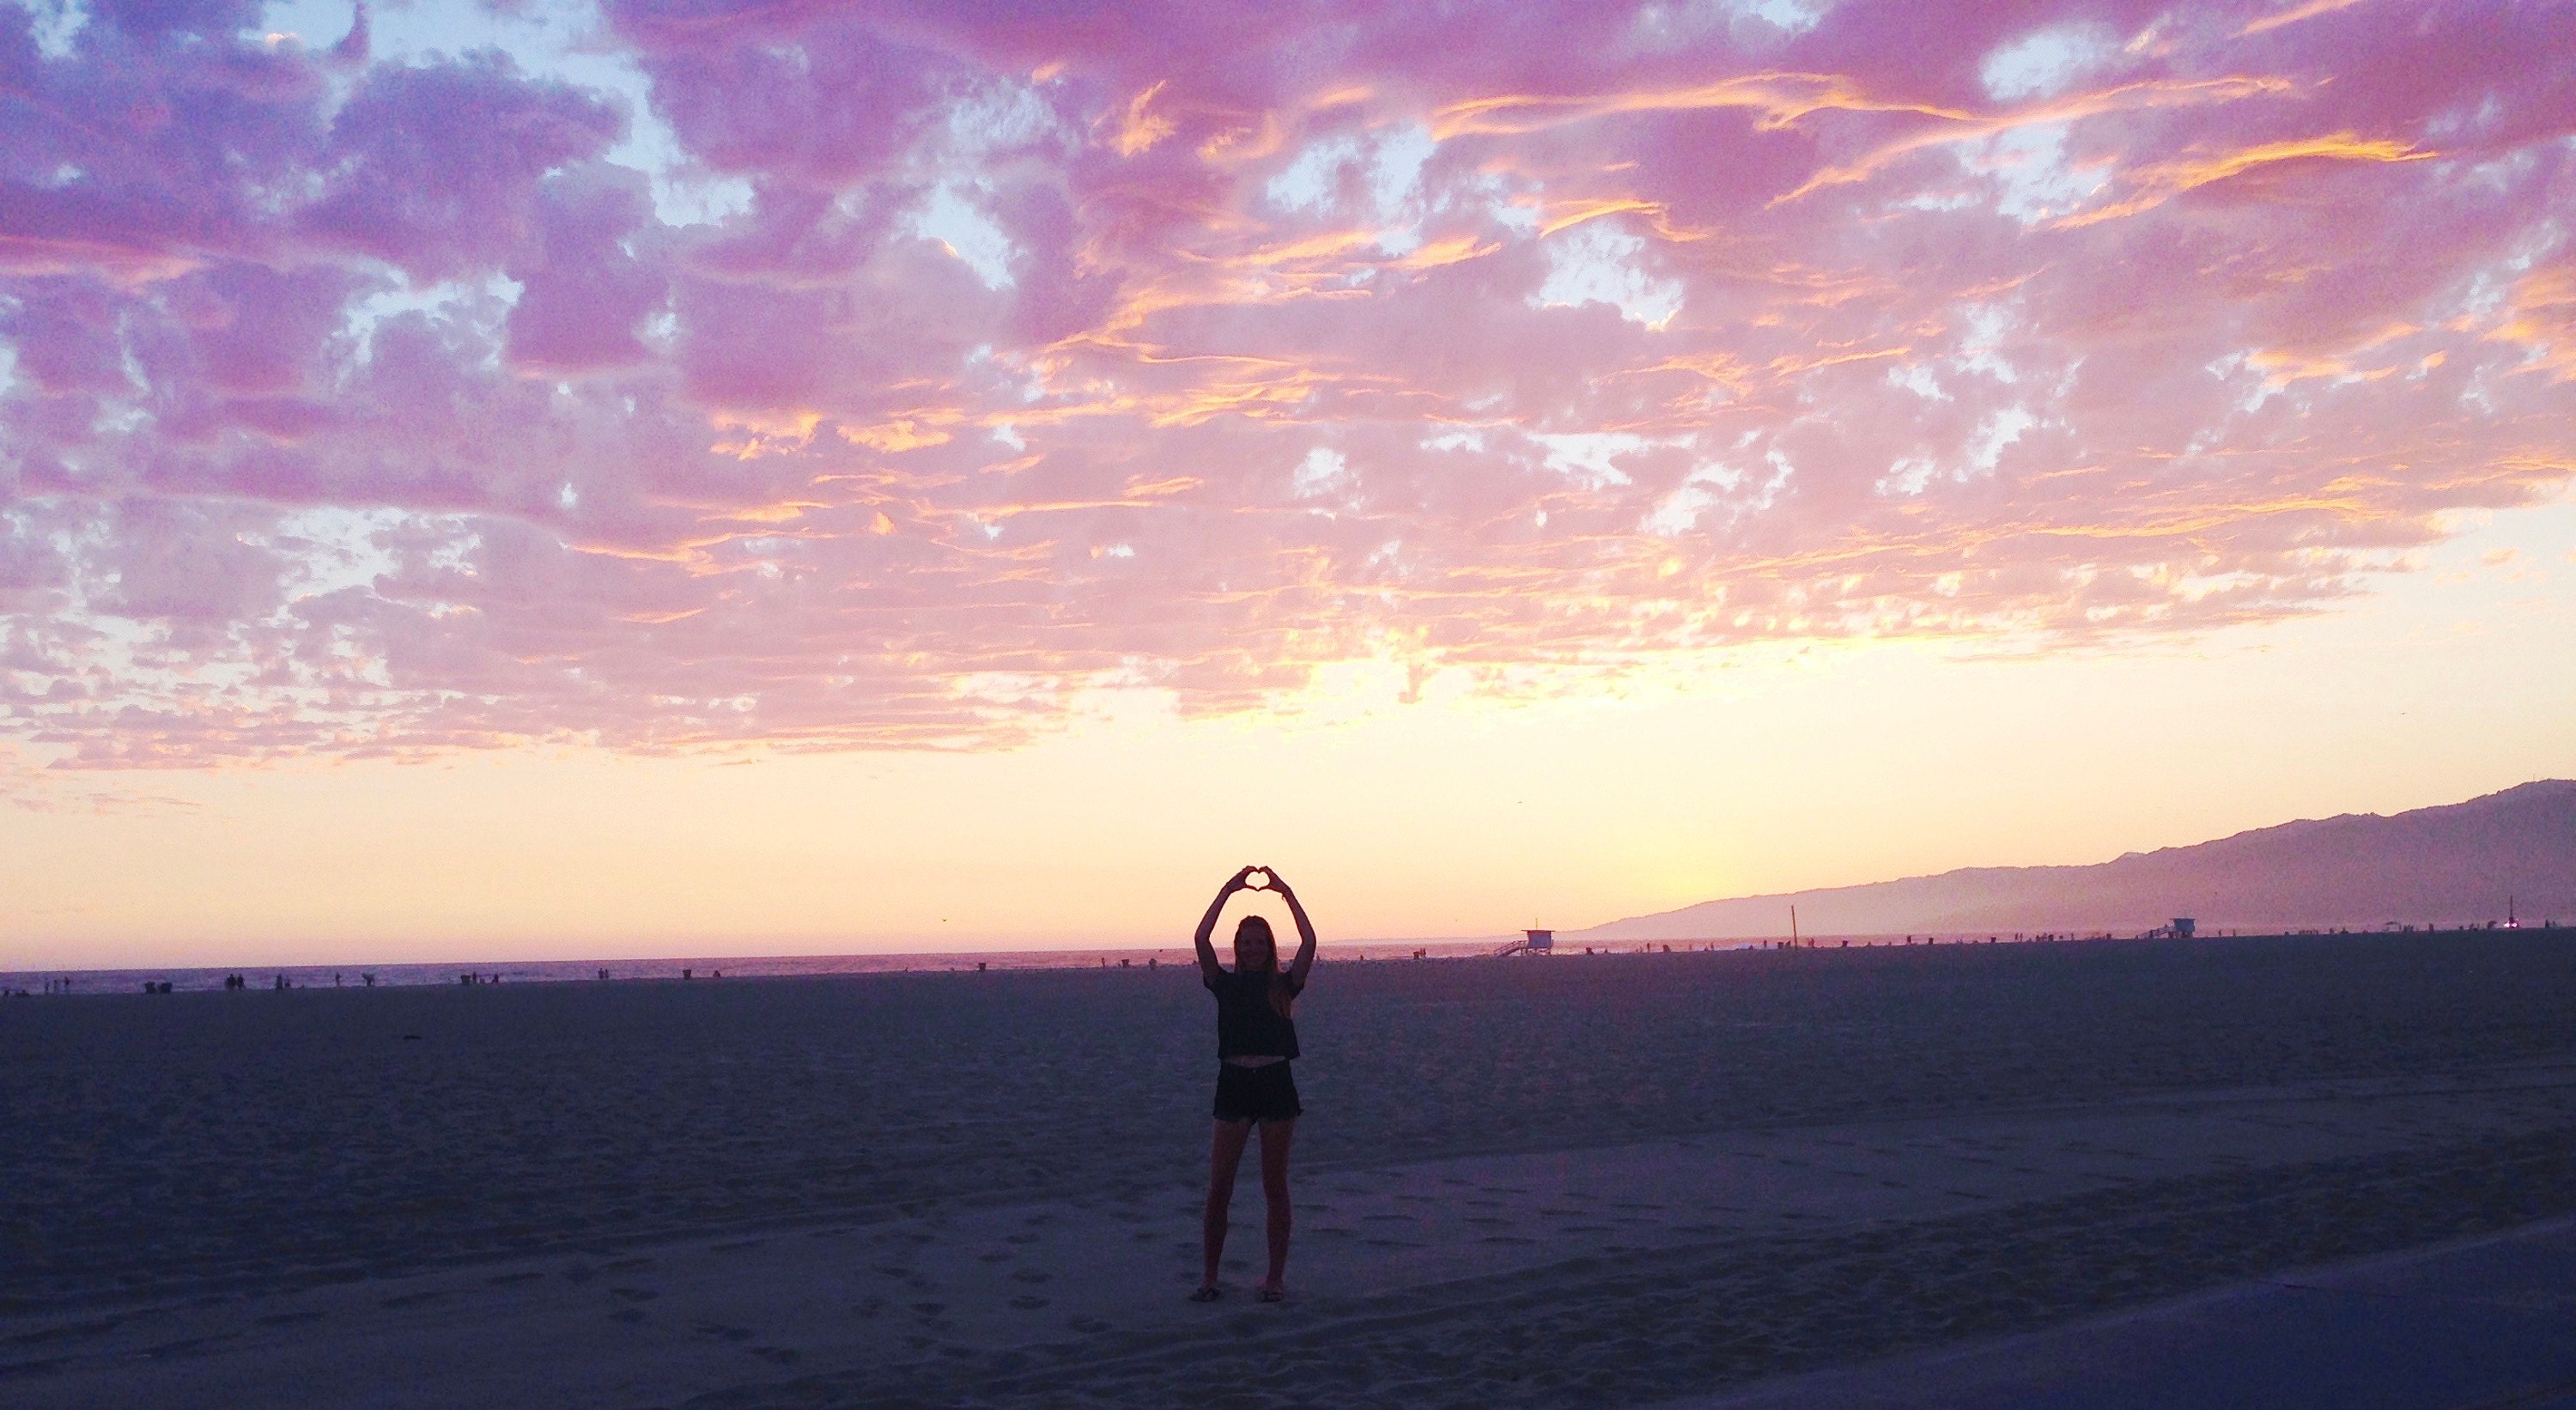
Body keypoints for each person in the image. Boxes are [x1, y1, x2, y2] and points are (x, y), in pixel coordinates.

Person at [1190, 864, 1317, 1304]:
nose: (1253, 948)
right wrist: (1228, 889)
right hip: (1234, 1084)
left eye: (1260, 942)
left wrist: (1284, 891)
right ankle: (1210, 1276)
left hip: (1276, 1085)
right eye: (1246, 943)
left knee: (1273, 1185)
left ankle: (1274, 1279)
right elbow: (1201, 938)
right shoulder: (1222, 984)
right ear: (1238, 949)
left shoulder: (1285, 986)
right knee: (1219, 1185)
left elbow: (1309, 942)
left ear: (1268, 947)